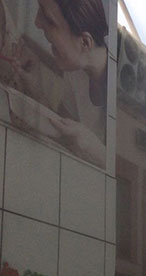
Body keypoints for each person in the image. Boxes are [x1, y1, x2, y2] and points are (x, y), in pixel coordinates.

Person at [11, 0, 108, 166]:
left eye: (49, 20)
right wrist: (35, 89)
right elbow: (63, 130)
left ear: (85, 43)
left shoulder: (122, 96)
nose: (37, 22)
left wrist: (94, 149)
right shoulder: (75, 72)